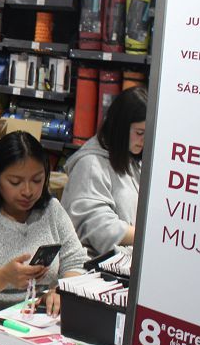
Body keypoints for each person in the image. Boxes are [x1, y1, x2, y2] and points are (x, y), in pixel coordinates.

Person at [0, 131, 87, 316]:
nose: (28, 191)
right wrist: (3, 277)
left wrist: (61, 290)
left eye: (37, 180)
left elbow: (76, 261)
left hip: (42, 320)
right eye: (15, 182)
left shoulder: (51, 210)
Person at [62, 87, 147, 255]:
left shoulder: (131, 158)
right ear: (120, 128)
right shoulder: (90, 164)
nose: (144, 140)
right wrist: (147, 234)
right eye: (139, 132)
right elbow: (97, 226)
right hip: (92, 267)